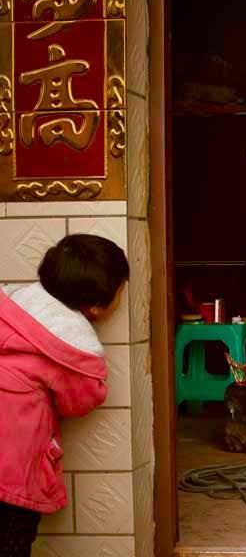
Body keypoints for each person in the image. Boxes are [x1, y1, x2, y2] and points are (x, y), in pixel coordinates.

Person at [0, 234, 129, 557]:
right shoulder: (71, 347)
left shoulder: (11, 305)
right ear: (97, 307)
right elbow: (82, 400)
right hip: (11, 474)